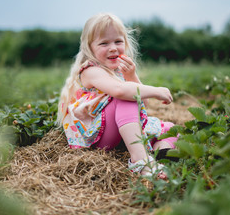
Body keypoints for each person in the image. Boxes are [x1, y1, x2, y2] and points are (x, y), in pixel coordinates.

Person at [57, 13, 178, 179]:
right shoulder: (91, 71)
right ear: (89, 48)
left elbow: (145, 103)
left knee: (170, 129)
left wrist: (131, 76)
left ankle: (159, 154)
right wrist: (157, 90)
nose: (113, 48)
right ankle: (140, 160)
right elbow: (120, 91)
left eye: (118, 41)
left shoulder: (119, 70)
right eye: (104, 43)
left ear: (126, 43)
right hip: (97, 137)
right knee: (126, 97)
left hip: (118, 131)